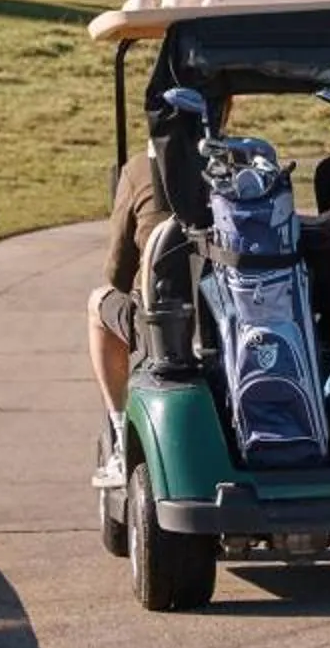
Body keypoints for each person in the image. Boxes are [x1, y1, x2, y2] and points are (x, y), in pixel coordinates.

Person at [87, 91, 230, 415]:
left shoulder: (139, 169)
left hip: (162, 314)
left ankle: (118, 418)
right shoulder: (245, 164)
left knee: (99, 302)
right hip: (235, 306)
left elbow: (118, 276)